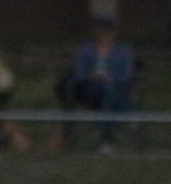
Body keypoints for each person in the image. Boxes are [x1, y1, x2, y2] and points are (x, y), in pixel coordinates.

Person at [55, 15, 136, 153]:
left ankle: (106, 143)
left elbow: (127, 76)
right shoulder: (85, 51)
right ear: (97, 31)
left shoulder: (124, 52)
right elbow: (79, 75)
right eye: (102, 30)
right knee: (108, 91)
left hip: (114, 88)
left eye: (108, 30)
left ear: (114, 32)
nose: (105, 34)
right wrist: (93, 77)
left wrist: (110, 78)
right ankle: (130, 113)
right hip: (91, 90)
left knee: (109, 93)